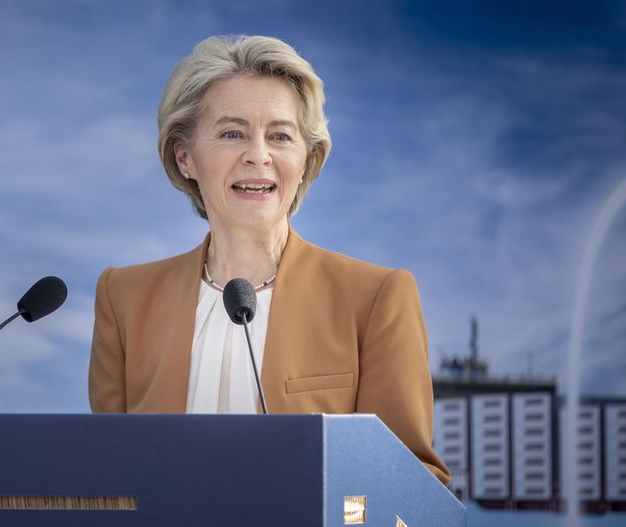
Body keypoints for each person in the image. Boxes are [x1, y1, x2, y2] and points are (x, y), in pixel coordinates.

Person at [88, 34, 449, 485]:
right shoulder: (124, 298)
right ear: (185, 157)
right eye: (232, 133)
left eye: (280, 136)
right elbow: (107, 476)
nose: (258, 156)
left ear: (306, 160)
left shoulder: (375, 298)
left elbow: (412, 485)